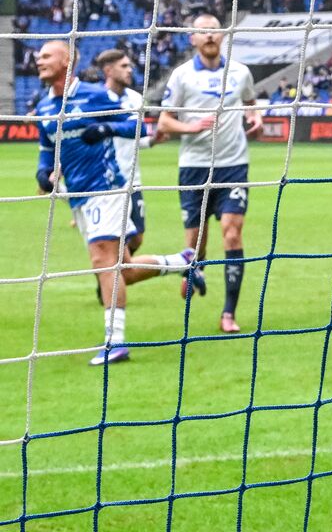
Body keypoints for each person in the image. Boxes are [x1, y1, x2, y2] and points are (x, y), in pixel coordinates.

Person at [33, 41, 204, 367]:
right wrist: (43, 172)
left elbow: (136, 124)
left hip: (108, 188)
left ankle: (116, 342)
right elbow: (46, 147)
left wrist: (106, 127)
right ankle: (183, 261)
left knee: (102, 261)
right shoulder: (44, 107)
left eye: (45, 56)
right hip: (78, 196)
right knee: (121, 267)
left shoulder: (96, 95)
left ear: (67, 60)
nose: (38, 61)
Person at [158, 14, 261, 334]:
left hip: (233, 165)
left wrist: (254, 118)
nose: (210, 37)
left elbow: (250, 102)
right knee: (196, 244)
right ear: (192, 39)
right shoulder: (182, 76)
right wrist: (190, 126)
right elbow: (164, 122)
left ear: (223, 35)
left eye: (214, 31)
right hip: (194, 168)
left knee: (232, 232)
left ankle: (228, 313)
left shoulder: (241, 72)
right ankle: (192, 268)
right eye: (203, 33)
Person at [96, 49, 167, 257]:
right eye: (124, 66)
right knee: (114, 243)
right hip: (107, 182)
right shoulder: (96, 99)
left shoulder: (136, 99)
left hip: (133, 180)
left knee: (137, 237)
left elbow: (137, 139)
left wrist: (154, 140)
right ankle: (111, 282)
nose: (130, 70)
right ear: (108, 70)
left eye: (130, 66)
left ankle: (112, 279)